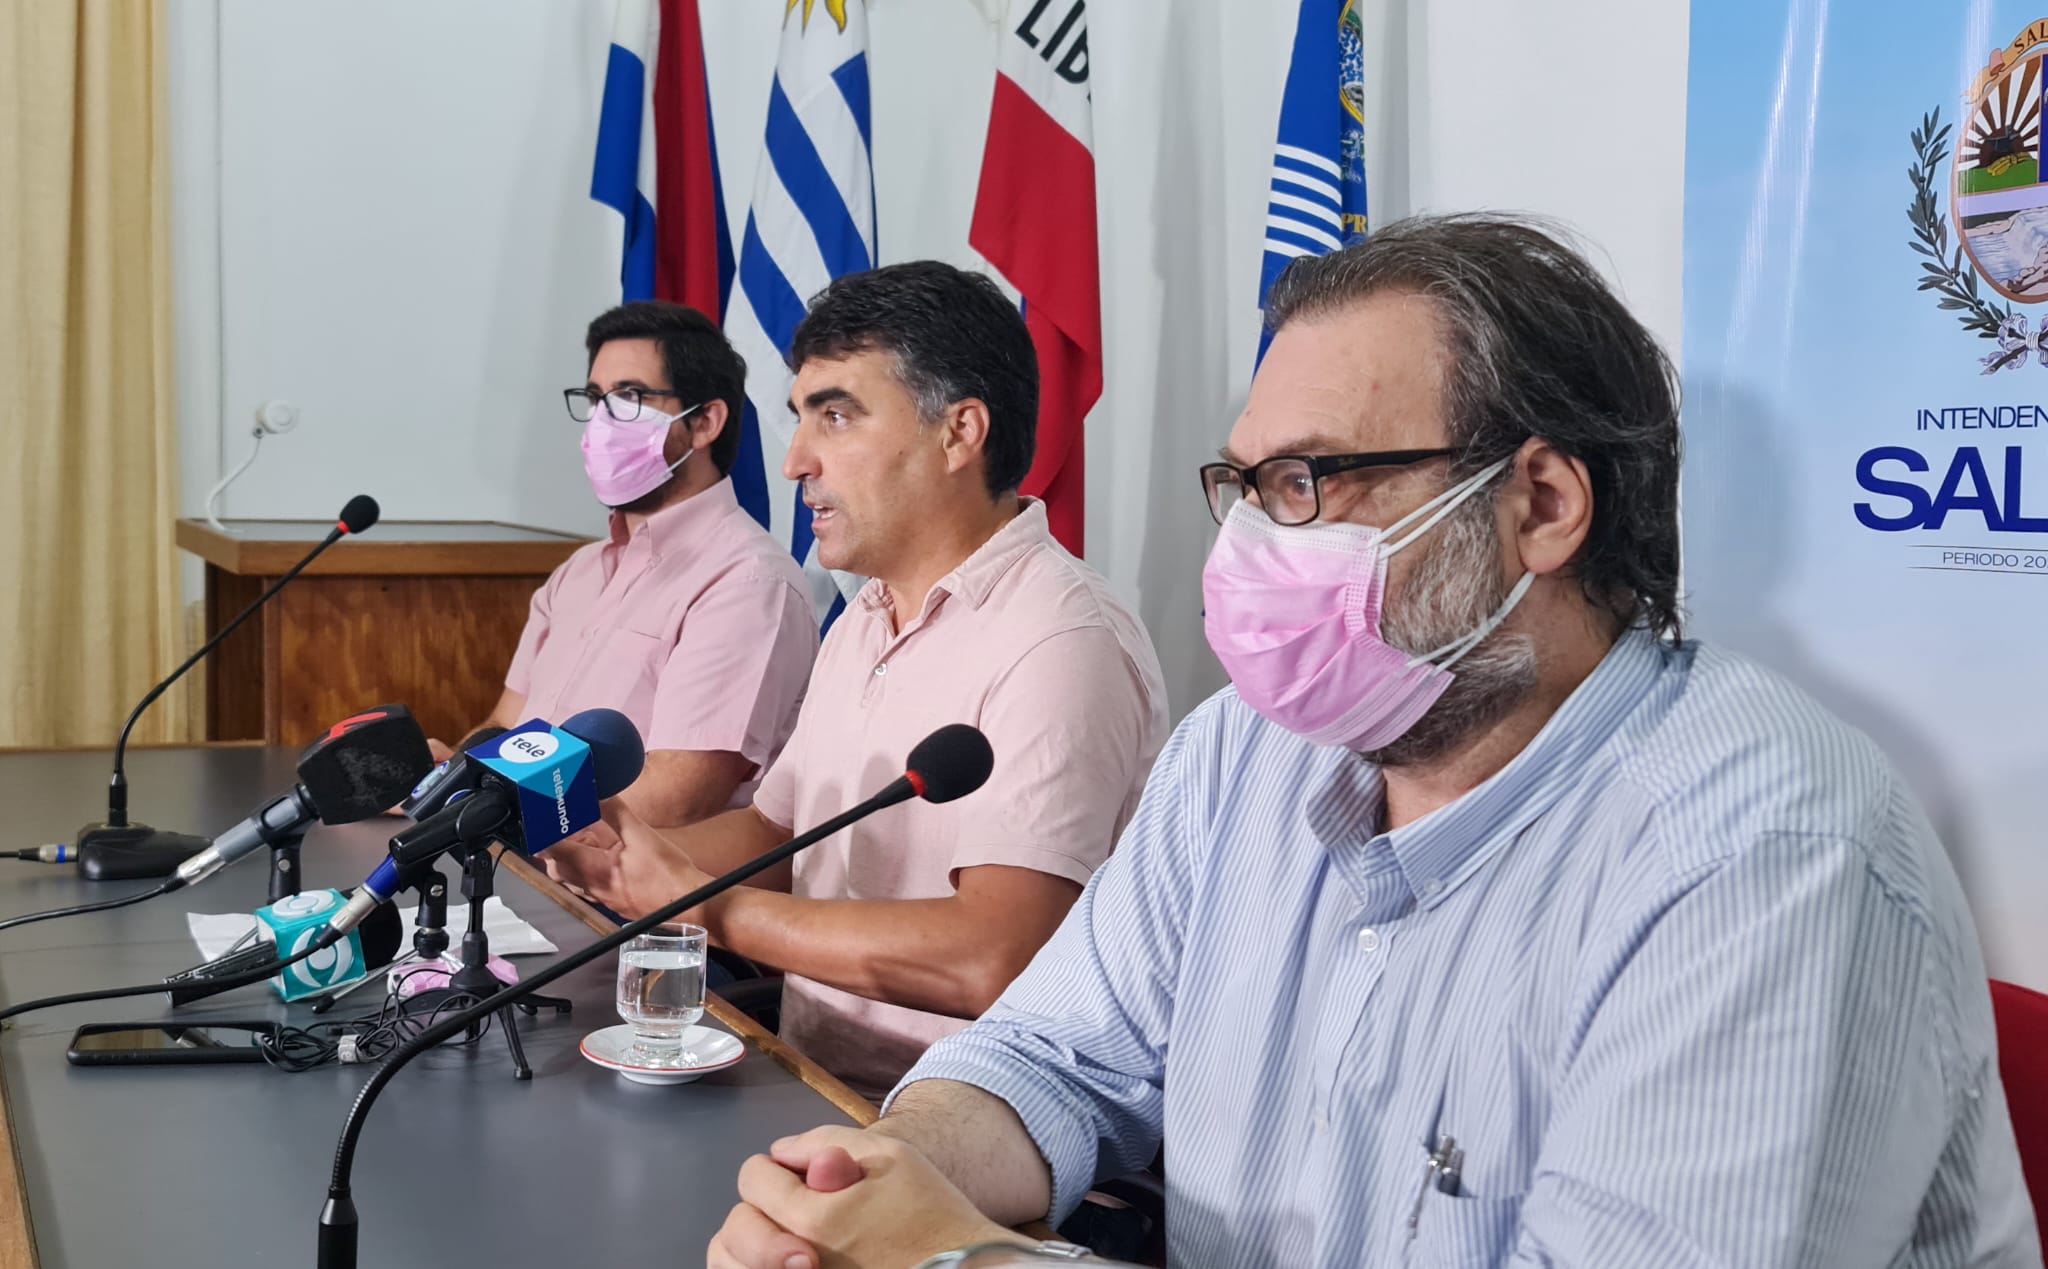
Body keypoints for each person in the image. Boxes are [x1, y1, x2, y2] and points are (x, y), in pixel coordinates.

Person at [704, 215, 2039, 1268]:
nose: (1250, 548)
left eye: (1309, 484)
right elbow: (1052, 1053)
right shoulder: (1245, 754)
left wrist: (962, 1259)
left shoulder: (1765, 849)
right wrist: (896, 1171)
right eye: (1244, 486)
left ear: (1543, 501)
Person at [545, 262, 1171, 1101]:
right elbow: (778, 830)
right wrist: (629, 860)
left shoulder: (1061, 641)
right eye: (801, 418)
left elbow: (992, 953)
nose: (798, 459)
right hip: (807, 1079)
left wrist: (701, 904)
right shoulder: (868, 615)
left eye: (836, 416)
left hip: (965, 1128)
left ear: (960, 433)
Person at [441, 301, 817, 832]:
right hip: (513, 865)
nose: (602, 422)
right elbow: (505, 724)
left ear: (705, 421)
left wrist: (494, 813)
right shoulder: (578, 571)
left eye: (630, 397)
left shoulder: (748, 582)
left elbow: (677, 797)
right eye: (595, 399)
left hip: (627, 902)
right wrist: (447, 777)